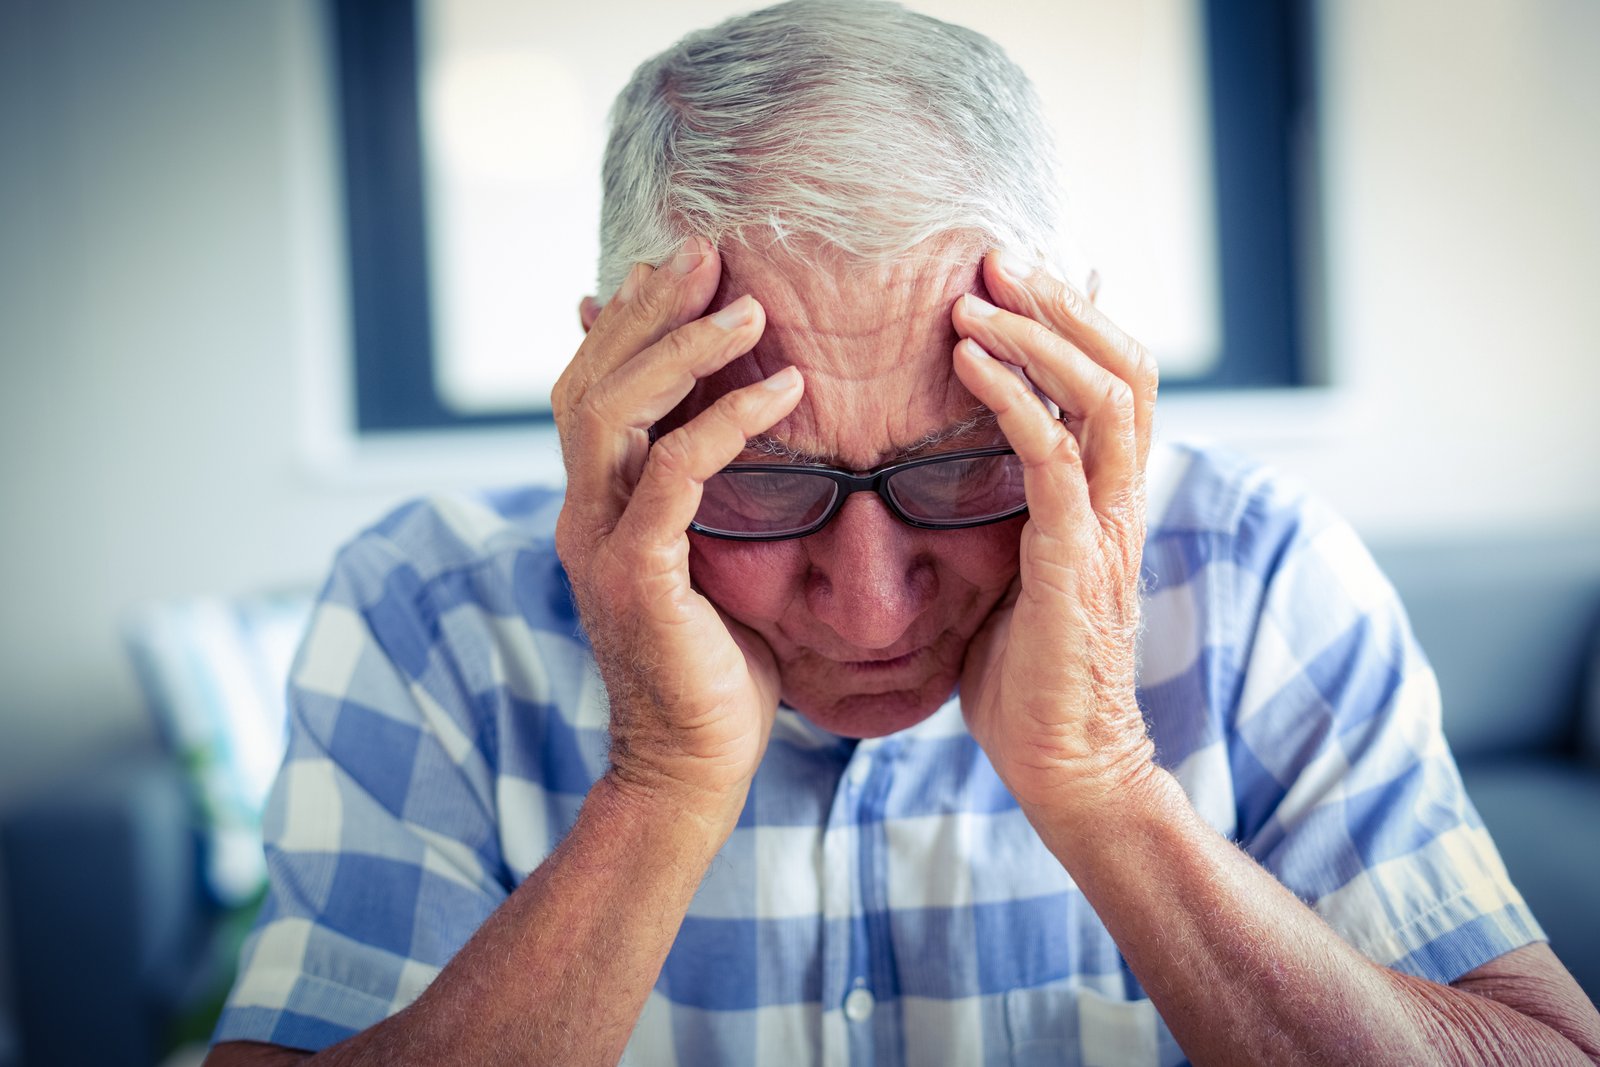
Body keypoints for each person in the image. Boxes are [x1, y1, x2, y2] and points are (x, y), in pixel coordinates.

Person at [206, 2, 1600, 1064]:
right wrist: (661, 786)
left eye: (959, 469)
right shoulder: (423, 609)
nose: (871, 609)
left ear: (1067, 363)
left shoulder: (1260, 567)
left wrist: (1106, 780)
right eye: (758, 482)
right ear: (615, 389)